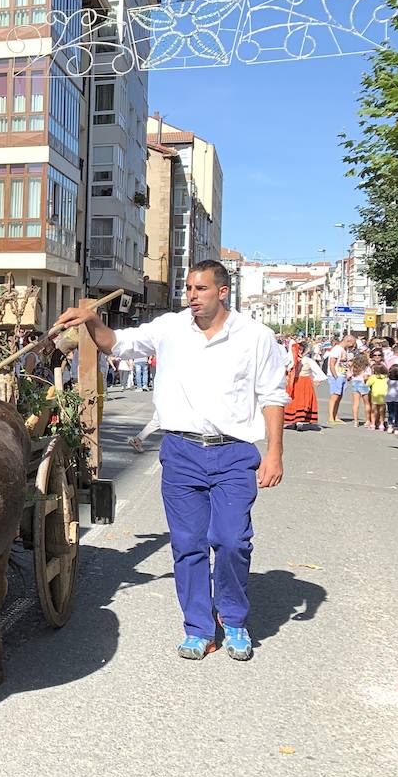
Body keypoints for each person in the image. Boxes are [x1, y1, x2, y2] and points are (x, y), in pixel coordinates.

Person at [55, 260, 287, 662]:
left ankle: (232, 619)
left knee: (232, 540)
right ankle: (198, 627)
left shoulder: (255, 337)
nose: (191, 296)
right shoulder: (171, 328)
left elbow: (272, 396)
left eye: (200, 289)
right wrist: (92, 320)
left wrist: (275, 453)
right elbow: (118, 343)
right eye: (189, 288)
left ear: (222, 292)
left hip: (233, 452)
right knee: (187, 544)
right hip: (181, 451)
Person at [283, 341, 326, 431]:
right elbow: (285, 367)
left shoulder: (307, 360)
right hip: (294, 382)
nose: (299, 351)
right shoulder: (291, 359)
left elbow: (317, 370)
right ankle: (294, 420)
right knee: (293, 401)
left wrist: (317, 379)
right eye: (298, 349)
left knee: (303, 401)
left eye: (301, 350)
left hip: (304, 382)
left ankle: (300, 421)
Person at [326, 334, 356, 424]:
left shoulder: (343, 350)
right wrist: (335, 376)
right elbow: (332, 364)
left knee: (339, 396)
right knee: (334, 396)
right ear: (348, 341)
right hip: (336, 375)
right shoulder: (337, 349)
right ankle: (331, 417)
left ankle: (335, 416)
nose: (352, 346)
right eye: (352, 344)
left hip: (342, 375)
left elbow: (343, 363)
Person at [367, 362, 389, 432]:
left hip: (375, 395)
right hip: (384, 396)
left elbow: (368, 384)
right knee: (382, 411)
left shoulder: (374, 377)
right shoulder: (386, 377)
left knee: (374, 411)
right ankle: (381, 424)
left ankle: (373, 424)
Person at [385, 364, 398, 436]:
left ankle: (390, 426)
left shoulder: (388, 380)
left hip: (389, 398)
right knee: (397, 414)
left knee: (391, 413)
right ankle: (396, 427)